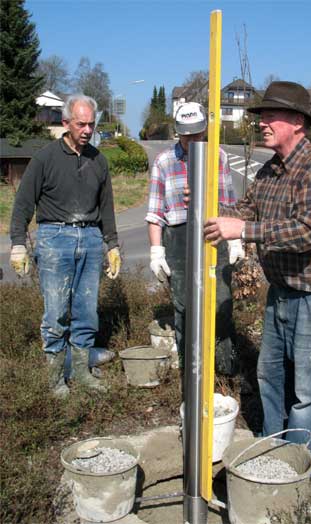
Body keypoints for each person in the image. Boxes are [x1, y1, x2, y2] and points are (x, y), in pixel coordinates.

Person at [203, 81, 311, 478]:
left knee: (308, 393)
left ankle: (301, 470)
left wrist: (243, 231)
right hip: (282, 291)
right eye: (261, 116)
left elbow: (305, 232)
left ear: (298, 122)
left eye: (271, 115)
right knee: (269, 376)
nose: (262, 123)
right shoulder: (269, 171)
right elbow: (243, 211)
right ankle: (272, 454)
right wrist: (208, 208)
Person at [10, 94, 121, 394]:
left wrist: (112, 244)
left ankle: (82, 373)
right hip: (53, 238)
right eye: (81, 124)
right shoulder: (44, 159)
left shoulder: (99, 161)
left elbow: (107, 208)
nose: (87, 130)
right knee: (56, 311)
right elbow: (23, 204)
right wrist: (18, 243)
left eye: (91, 124)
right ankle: (56, 378)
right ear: (65, 123)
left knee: (86, 311)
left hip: (90, 237)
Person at [146, 101, 244, 375]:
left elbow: (228, 200)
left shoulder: (218, 157)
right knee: (184, 306)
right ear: (178, 133)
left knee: (221, 302)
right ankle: (190, 372)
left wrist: (235, 240)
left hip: (214, 233)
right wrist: (157, 251)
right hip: (178, 237)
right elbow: (156, 212)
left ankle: (225, 370)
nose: (192, 140)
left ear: (204, 131)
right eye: (186, 135)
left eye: (197, 134)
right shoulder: (165, 161)